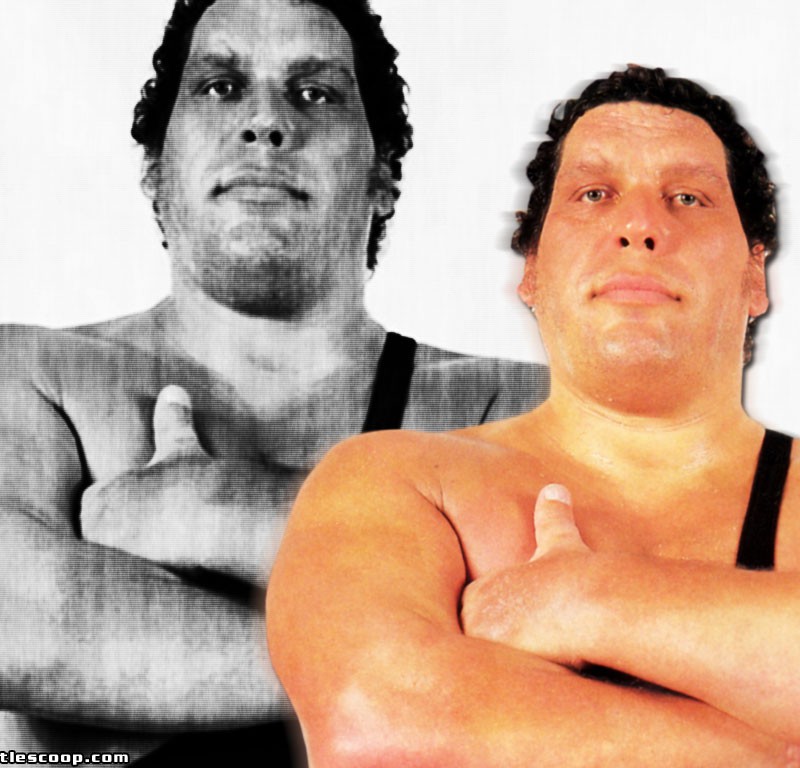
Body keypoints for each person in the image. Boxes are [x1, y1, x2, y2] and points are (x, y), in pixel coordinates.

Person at [0, 0, 547, 764]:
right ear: (156, 167)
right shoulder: (31, 376)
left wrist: (212, 506)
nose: (266, 122)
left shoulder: (510, 403)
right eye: (221, 86)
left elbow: (589, 619)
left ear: (383, 175)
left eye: (314, 92)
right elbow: (22, 624)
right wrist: (430, 646)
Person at [268, 65, 800, 766]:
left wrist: (583, 600)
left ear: (754, 275)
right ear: (533, 270)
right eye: (594, 193)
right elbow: (376, 724)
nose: (640, 226)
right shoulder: (398, 481)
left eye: (688, 197)